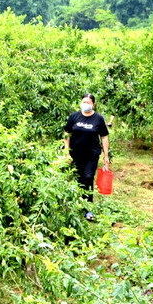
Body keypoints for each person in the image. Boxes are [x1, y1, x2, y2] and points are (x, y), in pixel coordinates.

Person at [63, 93, 109, 221]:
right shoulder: (74, 116)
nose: (86, 104)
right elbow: (67, 133)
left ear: (93, 104)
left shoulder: (98, 119)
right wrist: (66, 152)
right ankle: (78, 204)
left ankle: (88, 208)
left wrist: (106, 156)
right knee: (78, 179)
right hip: (76, 154)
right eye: (84, 101)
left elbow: (104, 137)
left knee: (88, 177)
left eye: (88, 102)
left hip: (92, 154)